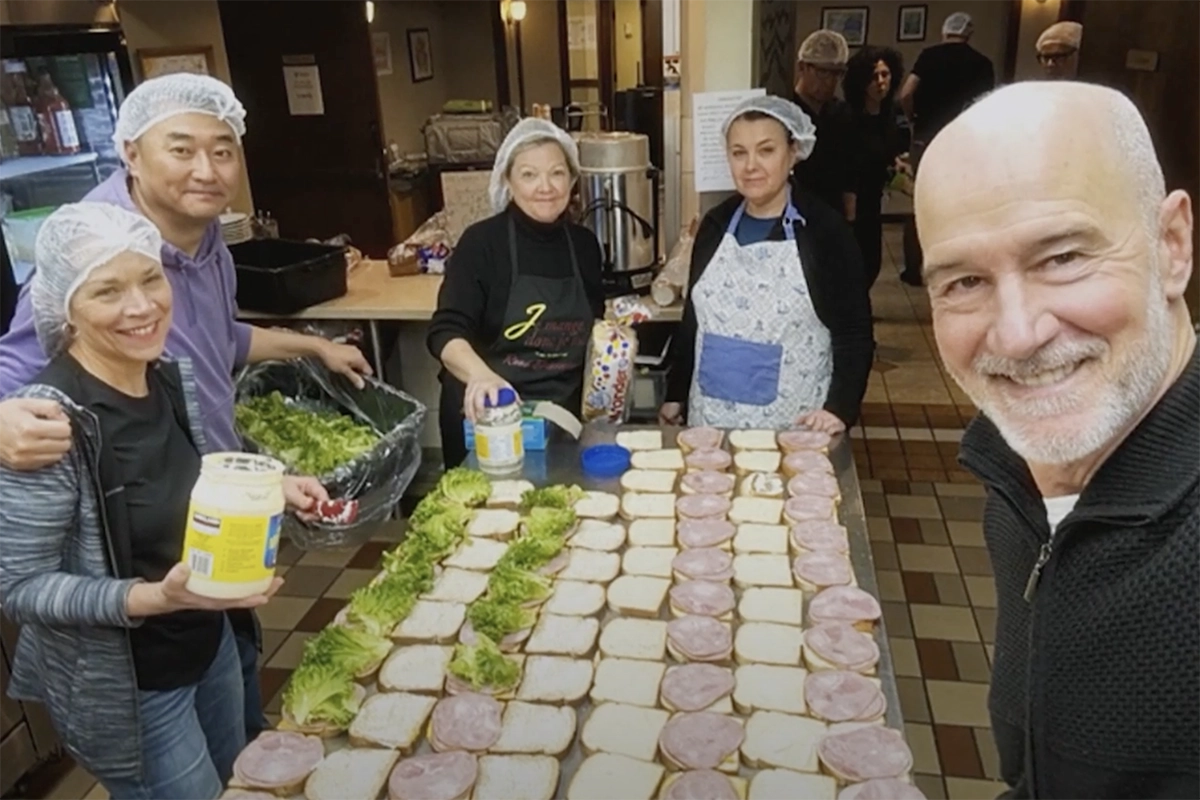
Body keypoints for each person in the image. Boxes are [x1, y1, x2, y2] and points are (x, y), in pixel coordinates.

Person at [0, 73, 369, 742]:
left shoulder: (207, 242)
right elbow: (21, 365)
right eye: (182, 149)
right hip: (134, 570)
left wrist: (310, 349)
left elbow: (216, 338)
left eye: (223, 150)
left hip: (210, 512)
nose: (207, 169)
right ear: (131, 153)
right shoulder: (99, 253)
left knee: (235, 696)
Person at [916, 81, 1200, 799]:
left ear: (1172, 245)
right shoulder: (1015, 473)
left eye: (1063, 257)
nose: (1017, 333)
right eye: (964, 281)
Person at [0, 202, 327, 799]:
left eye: (150, 278)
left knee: (242, 780)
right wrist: (155, 598)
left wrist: (266, 489)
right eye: (107, 291)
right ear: (66, 308)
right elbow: (21, 588)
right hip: (135, 684)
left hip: (208, 640)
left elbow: (182, 480)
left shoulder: (163, 374)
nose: (141, 306)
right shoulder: (49, 422)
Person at [659, 96, 874, 434]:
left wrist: (840, 408)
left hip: (794, 429)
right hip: (710, 424)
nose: (750, 166)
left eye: (766, 150)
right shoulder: (715, 225)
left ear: (793, 152)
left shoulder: (824, 231)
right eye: (739, 152)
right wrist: (675, 393)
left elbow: (854, 331)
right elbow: (694, 320)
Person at [427, 118, 605, 467]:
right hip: (490, 419)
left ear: (571, 180)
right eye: (528, 174)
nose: (545, 187)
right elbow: (445, 333)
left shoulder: (584, 245)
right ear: (508, 181)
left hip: (561, 418)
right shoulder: (482, 244)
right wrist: (480, 374)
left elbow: (594, 330)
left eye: (556, 173)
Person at [897, 11, 995, 286]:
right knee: (961, 201)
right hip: (964, 139)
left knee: (920, 200)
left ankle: (914, 269)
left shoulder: (929, 56)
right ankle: (956, 267)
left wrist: (912, 118)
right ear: (969, 34)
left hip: (926, 136)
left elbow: (906, 93)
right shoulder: (981, 63)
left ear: (945, 31)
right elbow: (985, 103)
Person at [843, 45, 907, 289]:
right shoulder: (849, 116)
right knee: (854, 265)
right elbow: (847, 164)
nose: (881, 82)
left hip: (874, 199)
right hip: (852, 202)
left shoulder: (888, 113)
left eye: (885, 74)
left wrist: (895, 164)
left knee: (872, 264)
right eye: (873, 76)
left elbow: (887, 151)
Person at [791, 30, 858, 221]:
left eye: (837, 73)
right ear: (802, 67)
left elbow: (849, 171)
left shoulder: (841, 113)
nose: (830, 81)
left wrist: (849, 217)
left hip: (832, 212)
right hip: (794, 211)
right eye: (822, 72)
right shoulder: (787, 112)